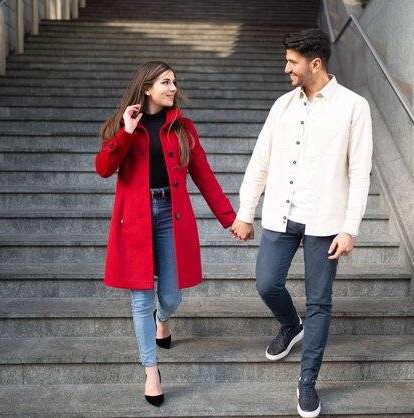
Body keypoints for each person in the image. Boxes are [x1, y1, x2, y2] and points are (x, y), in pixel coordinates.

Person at [230, 28, 373, 417]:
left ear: (315, 62)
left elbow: (360, 173)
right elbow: (261, 160)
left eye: (292, 61)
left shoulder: (354, 107)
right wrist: (246, 212)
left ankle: (307, 382)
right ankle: (291, 325)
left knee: (320, 302)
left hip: (325, 222)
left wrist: (350, 228)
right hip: (281, 213)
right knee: (267, 283)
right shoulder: (283, 106)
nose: (286, 68)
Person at [96, 61, 236, 407]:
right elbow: (104, 168)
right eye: (165, 82)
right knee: (140, 299)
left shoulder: (183, 128)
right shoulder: (126, 125)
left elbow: (203, 174)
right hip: (136, 221)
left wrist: (230, 217)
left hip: (170, 219)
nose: (173, 88)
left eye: (174, 82)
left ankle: (164, 319)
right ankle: (151, 371)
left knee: (171, 298)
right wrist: (126, 132)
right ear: (146, 88)